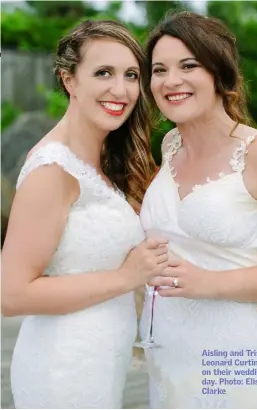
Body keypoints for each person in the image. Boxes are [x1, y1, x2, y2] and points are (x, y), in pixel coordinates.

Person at [1, 19, 169, 409]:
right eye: (103, 73)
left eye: (130, 75)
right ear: (69, 80)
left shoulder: (103, 159)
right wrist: (125, 277)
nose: (121, 89)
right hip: (63, 370)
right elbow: (12, 294)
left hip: (99, 364)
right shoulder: (52, 170)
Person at [139, 11, 257, 409]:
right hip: (167, 356)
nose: (171, 81)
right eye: (159, 70)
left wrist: (213, 283)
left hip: (233, 360)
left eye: (189, 65)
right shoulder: (169, 146)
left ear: (220, 72)